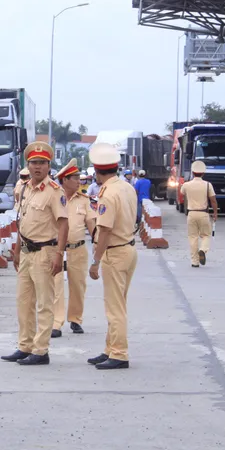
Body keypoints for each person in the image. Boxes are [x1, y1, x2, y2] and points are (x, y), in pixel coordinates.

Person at [0, 141, 68, 367]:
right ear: (27, 165)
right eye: (33, 163)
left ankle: (41, 350)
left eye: (42, 163)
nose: (37, 167)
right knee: (24, 302)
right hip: (26, 252)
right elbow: (22, 221)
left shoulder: (54, 192)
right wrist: (17, 250)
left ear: (49, 166)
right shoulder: (26, 188)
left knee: (44, 303)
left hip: (45, 252)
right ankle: (25, 345)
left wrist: (60, 254)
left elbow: (63, 224)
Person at [86, 143, 138, 370]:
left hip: (114, 252)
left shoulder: (107, 195)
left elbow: (104, 230)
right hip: (128, 248)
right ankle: (110, 348)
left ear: (97, 172)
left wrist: (96, 261)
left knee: (114, 307)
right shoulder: (127, 187)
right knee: (119, 303)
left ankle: (119, 353)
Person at [50, 159, 95, 338]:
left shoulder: (84, 200)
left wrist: (99, 242)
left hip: (78, 249)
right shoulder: (54, 198)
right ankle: (56, 323)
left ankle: (75, 319)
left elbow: (91, 223)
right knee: (56, 285)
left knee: (78, 285)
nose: (79, 182)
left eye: (79, 178)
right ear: (65, 180)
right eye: (75, 178)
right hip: (56, 249)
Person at [180, 161, 218, 268]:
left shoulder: (186, 185)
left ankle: (194, 262)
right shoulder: (207, 185)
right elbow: (213, 200)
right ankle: (203, 250)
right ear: (203, 173)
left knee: (193, 237)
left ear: (192, 172)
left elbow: (182, 193)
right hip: (203, 213)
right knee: (206, 235)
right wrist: (215, 213)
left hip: (191, 214)